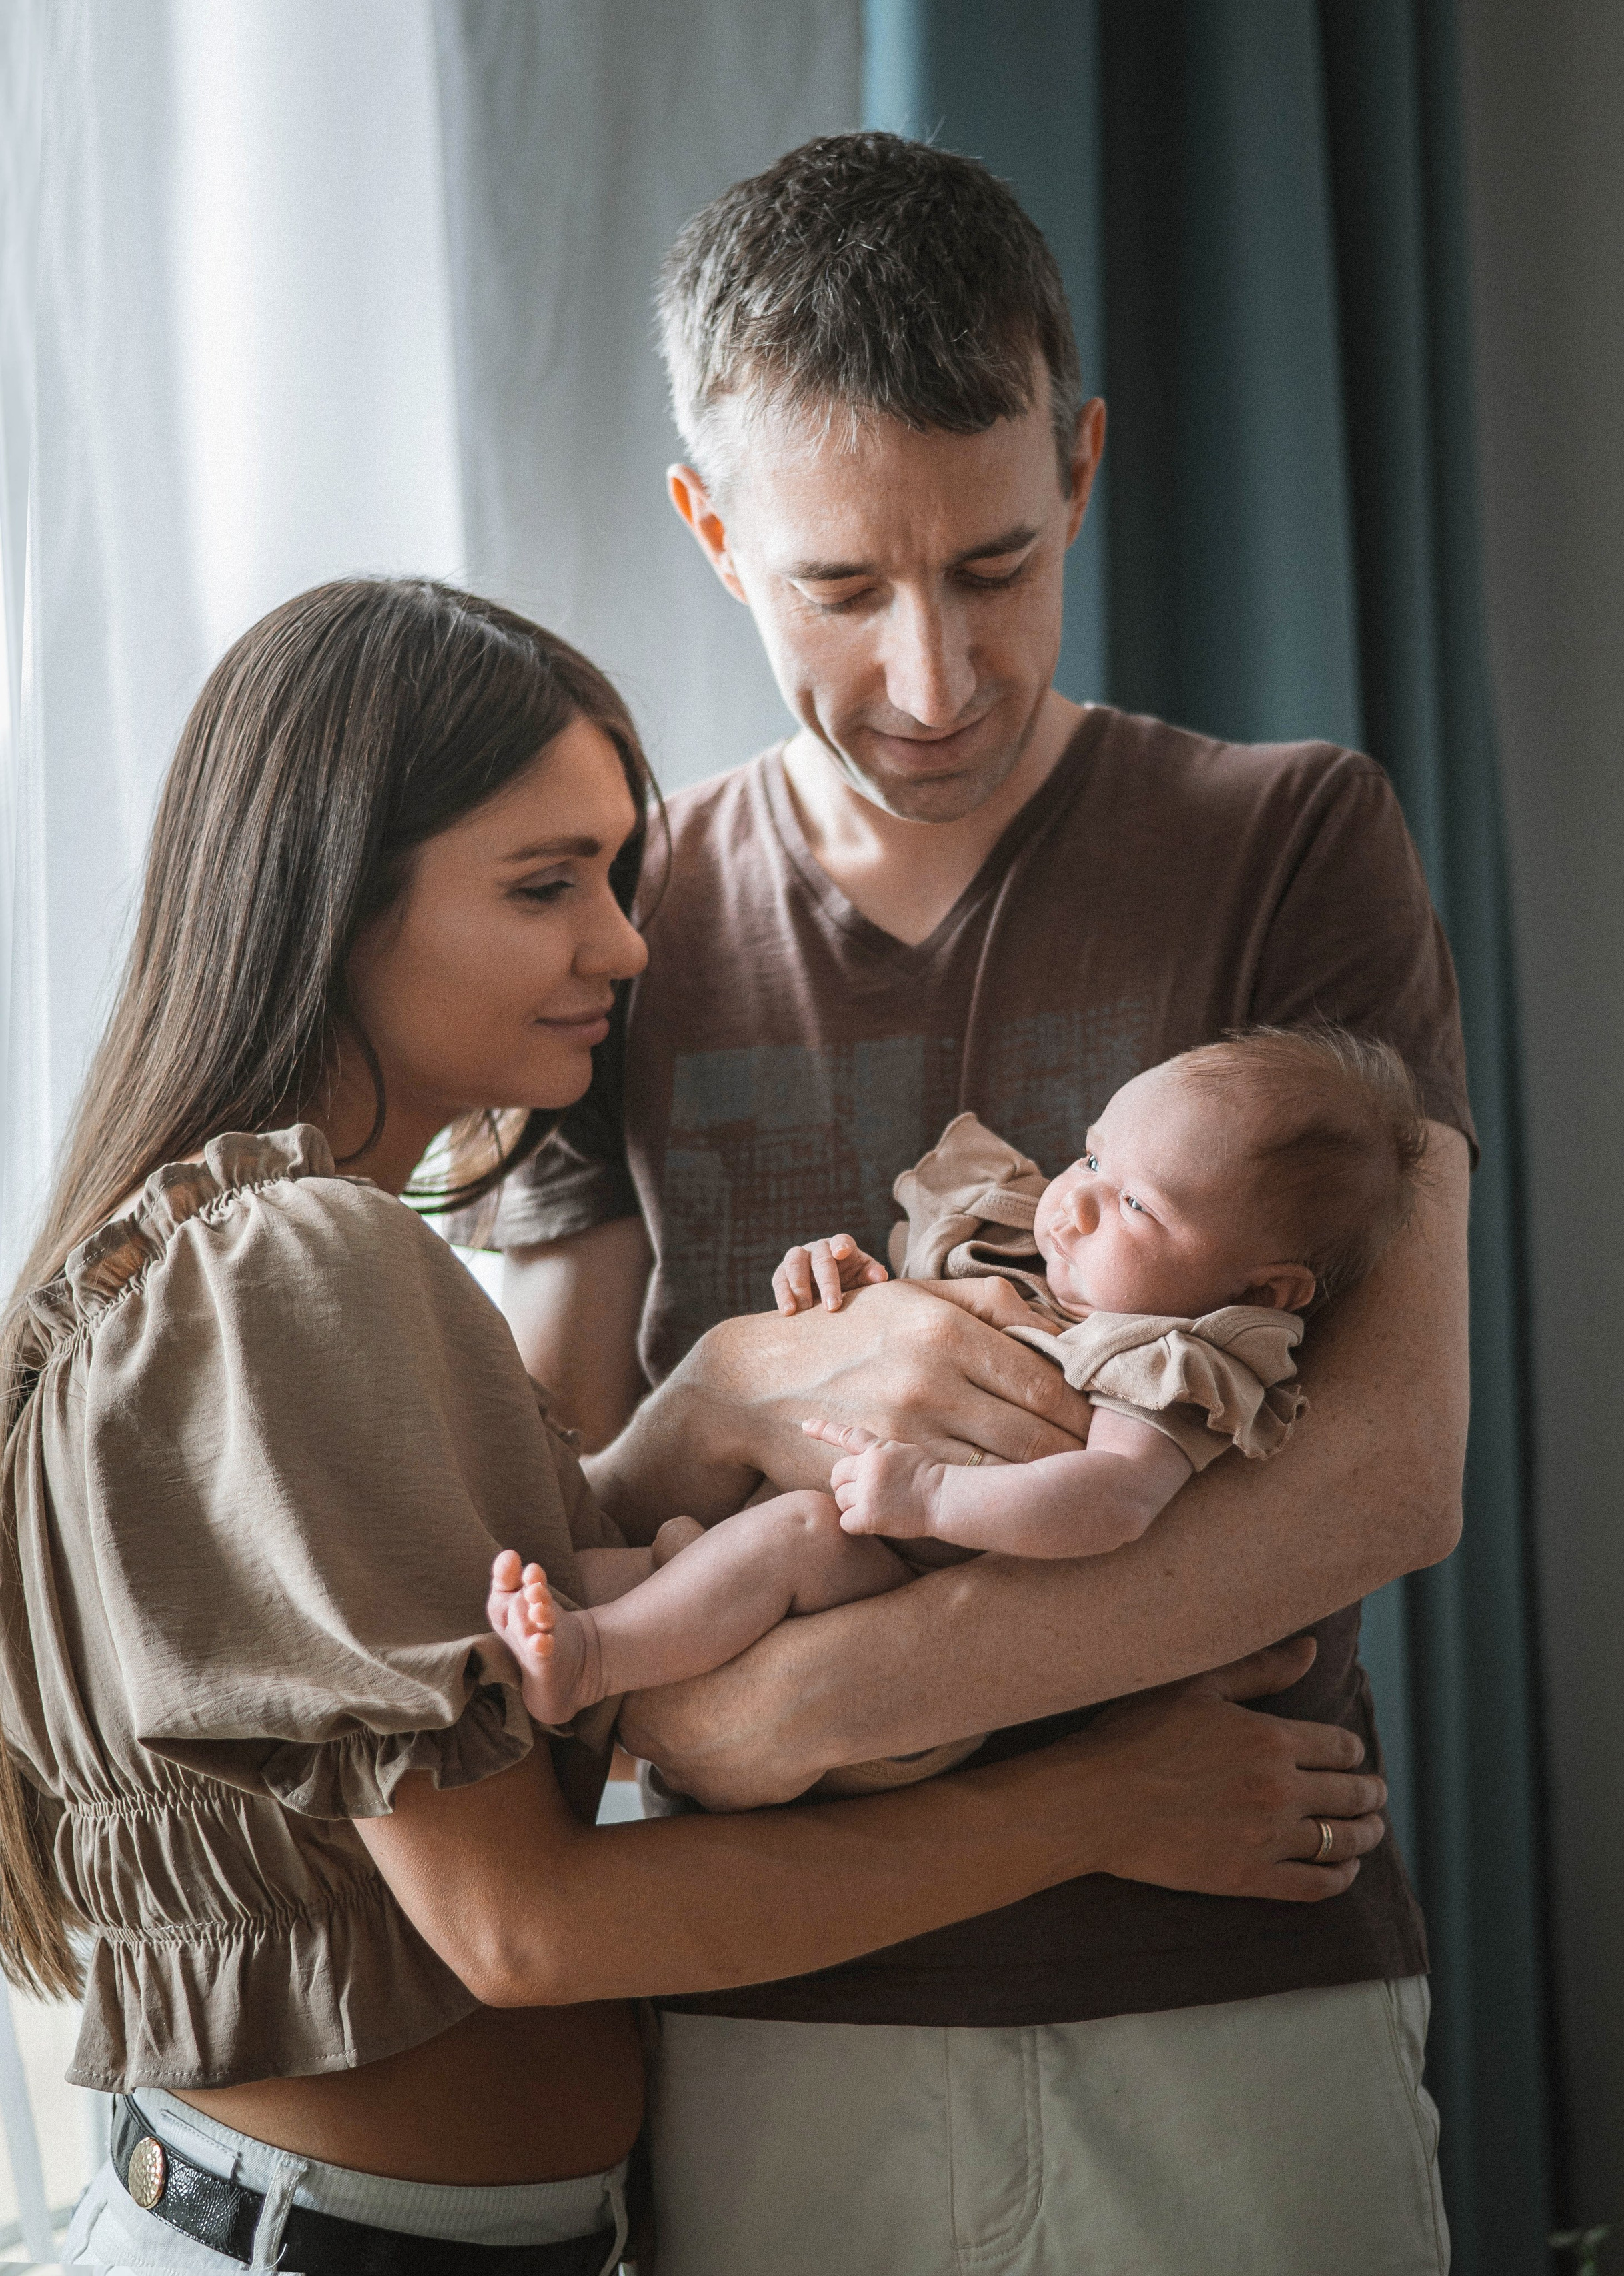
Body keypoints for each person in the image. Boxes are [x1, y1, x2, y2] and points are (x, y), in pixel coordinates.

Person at [0, 579, 1385, 2276]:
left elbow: (490, 1650)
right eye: (543, 885)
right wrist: (1101, 1805)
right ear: (336, 901)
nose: (626, 946)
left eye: (614, 871)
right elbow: (519, 1926)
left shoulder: (229, 1253)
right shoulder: (298, 1260)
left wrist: (719, 1395)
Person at [475, 133, 1472, 2274]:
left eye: (997, 566)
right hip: (773, 2020)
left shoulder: (1296, 838)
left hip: (1242, 1972)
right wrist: (747, 1366)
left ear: (1087, 463)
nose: (933, 677)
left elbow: (1385, 1476)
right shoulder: (608, 916)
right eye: (839, 588)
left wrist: (802, 1707)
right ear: (709, 525)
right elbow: (554, 1497)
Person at [487, 1028, 1426, 1755]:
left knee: (785, 1541)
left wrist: (934, 1495)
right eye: (1095, 1157)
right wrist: (840, 1278)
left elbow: (1115, 1501)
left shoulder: (1172, 1364)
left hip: (892, 1587)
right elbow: (881, 1332)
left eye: (1141, 1205)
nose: (1078, 1200)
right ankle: (521, 1649)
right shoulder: (1023, 1245)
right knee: (608, 1574)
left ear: (1262, 1291)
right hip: (800, 1515)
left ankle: (587, 1661)